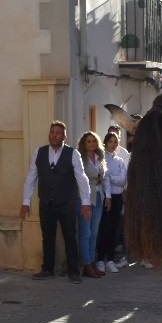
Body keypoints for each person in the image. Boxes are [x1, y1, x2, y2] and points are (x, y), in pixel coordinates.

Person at [21, 121, 92, 283]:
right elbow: (31, 177)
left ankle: (74, 272)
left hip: (67, 202)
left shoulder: (73, 154)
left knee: (70, 237)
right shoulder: (39, 152)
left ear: (64, 136)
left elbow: (82, 179)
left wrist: (85, 203)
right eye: (52, 132)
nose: (54, 135)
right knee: (47, 236)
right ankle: (47, 268)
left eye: (58, 133)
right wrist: (25, 201)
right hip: (46, 202)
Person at [77, 130, 109, 279]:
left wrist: (107, 196)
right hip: (86, 198)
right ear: (84, 144)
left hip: (98, 196)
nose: (91, 144)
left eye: (94, 141)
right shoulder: (80, 159)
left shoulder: (100, 157)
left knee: (94, 233)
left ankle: (92, 262)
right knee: (85, 233)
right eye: (88, 141)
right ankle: (86, 264)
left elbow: (105, 178)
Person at [97, 131, 128, 273]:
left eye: (115, 142)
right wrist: (114, 179)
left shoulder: (120, 161)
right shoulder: (102, 158)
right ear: (105, 142)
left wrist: (113, 177)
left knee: (115, 229)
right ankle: (100, 259)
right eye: (110, 141)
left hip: (118, 198)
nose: (113, 144)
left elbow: (123, 180)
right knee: (105, 229)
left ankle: (110, 259)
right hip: (106, 198)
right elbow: (105, 179)